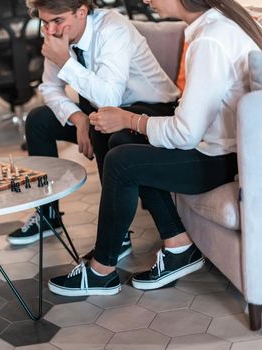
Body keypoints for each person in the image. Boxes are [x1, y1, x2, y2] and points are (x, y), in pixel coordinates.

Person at [48, 0, 262, 297]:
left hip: (225, 159)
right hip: (223, 149)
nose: (146, 0)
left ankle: (101, 271)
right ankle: (179, 247)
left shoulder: (210, 40)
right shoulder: (214, 26)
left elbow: (185, 133)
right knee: (124, 140)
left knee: (122, 160)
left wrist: (130, 119)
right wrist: (131, 126)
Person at [7, 0, 180, 253]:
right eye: (45, 22)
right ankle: (48, 215)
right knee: (38, 121)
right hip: (102, 108)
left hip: (152, 110)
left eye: (57, 21)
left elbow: (110, 99)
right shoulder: (58, 36)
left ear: (81, 12)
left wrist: (66, 61)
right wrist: (78, 118)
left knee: (102, 122)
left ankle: (118, 236)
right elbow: (49, 87)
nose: (51, 30)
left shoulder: (113, 29)